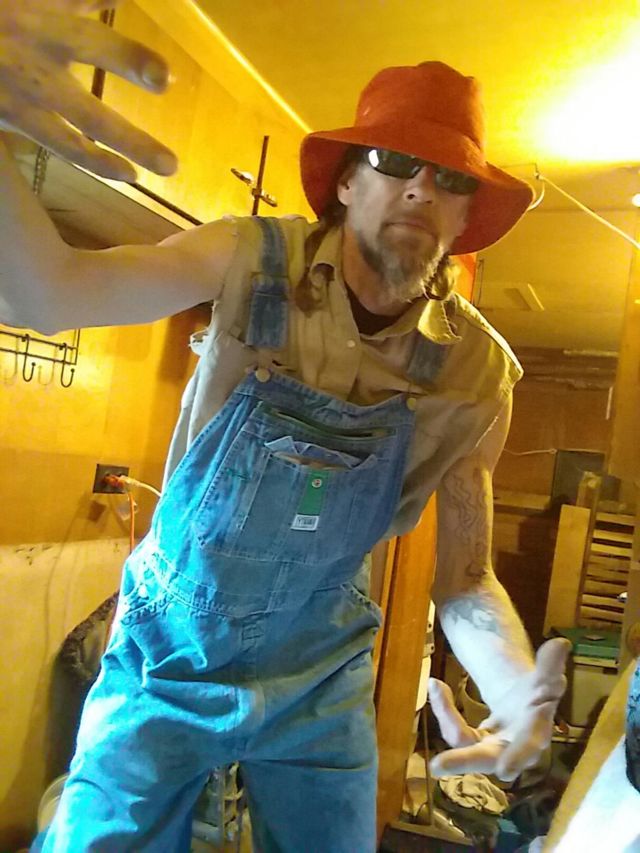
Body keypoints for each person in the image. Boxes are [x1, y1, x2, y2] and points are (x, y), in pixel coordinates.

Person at [0, 2, 571, 850]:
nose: (422, 187)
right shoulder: (243, 257)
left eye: (451, 178)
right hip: (167, 650)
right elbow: (46, 295)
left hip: (321, 673)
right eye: (394, 161)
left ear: (464, 218)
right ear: (345, 183)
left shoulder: (477, 373)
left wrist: (515, 687)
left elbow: (465, 576)